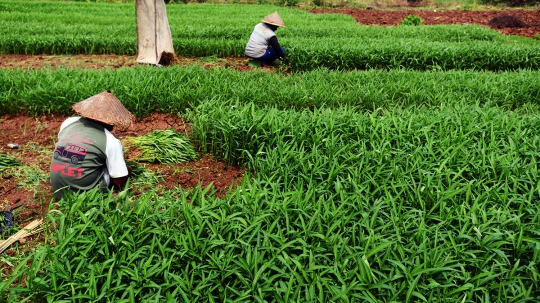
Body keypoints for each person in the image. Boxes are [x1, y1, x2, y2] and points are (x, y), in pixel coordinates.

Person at [50, 90, 134, 201]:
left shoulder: (68, 122)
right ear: (111, 121)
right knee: (120, 169)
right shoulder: (110, 140)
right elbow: (119, 181)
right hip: (85, 197)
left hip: (57, 189)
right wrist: (126, 171)